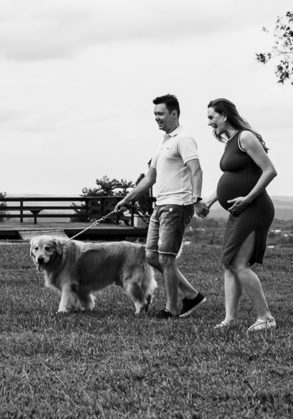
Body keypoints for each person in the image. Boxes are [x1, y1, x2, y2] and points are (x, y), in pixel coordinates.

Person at [115, 94, 205, 319]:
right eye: (154, 114)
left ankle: (172, 309)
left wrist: (197, 198)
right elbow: (149, 179)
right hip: (161, 205)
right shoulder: (163, 142)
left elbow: (196, 170)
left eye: (160, 114)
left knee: (166, 258)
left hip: (177, 205)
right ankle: (192, 295)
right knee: (151, 255)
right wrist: (127, 198)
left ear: (174, 114)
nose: (156, 118)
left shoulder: (183, 139)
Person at [196, 98, 278, 333]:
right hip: (240, 209)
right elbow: (231, 178)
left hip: (254, 207)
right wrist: (209, 202)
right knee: (229, 264)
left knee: (239, 264)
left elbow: (270, 171)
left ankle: (266, 317)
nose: (210, 123)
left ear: (223, 115)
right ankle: (229, 319)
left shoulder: (245, 137)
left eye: (211, 117)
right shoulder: (231, 142)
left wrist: (248, 198)